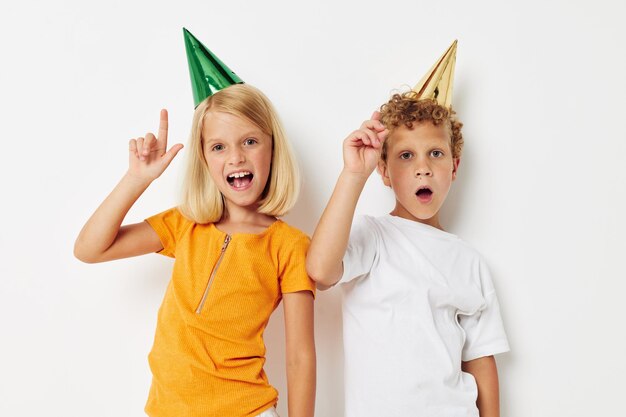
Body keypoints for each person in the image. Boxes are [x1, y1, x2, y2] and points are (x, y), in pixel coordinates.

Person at [74, 29, 315, 417]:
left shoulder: (289, 246)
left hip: (246, 410)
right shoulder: (184, 225)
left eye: (250, 141)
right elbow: (89, 249)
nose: (235, 157)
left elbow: (300, 357)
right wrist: (137, 179)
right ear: (204, 159)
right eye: (219, 146)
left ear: (273, 147)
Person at [306, 41, 509, 417]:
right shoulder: (373, 238)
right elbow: (319, 270)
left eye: (435, 153)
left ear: (454, 167)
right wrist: (354, 174)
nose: (423, 167)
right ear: (384, 172)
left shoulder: (470, 261)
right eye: (405, 156)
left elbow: (481, 360)